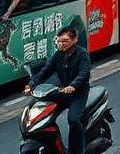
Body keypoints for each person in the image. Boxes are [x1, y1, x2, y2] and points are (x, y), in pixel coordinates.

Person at [24, 26, 91, 154]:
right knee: (42, 112)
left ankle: (77, 150)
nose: (61, 44)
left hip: (77, 94)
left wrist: (73, 86)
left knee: (73, 120)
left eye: (65, 41)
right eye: (59, 41)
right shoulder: (58, 55)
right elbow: (45, 71)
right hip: (60, 92)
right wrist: (31, 84)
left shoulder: (82, 54)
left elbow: (84, 73)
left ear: (75, 39)